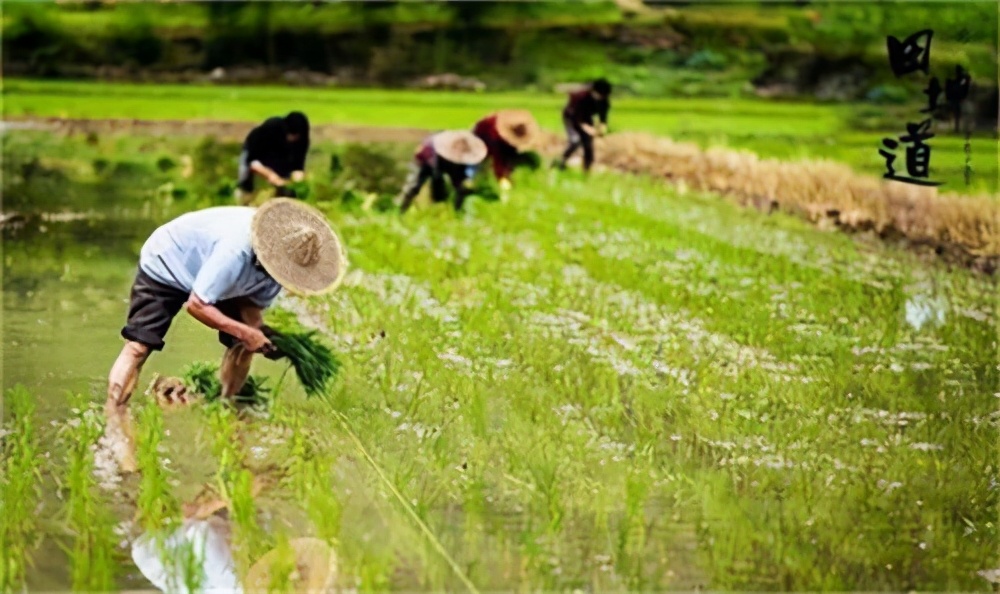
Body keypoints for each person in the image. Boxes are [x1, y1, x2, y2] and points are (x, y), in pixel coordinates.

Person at [104, 199, 348, 473]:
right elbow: (197, 305)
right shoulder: (235, 250)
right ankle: (114, 416)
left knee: (242, 346)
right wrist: (244, 331)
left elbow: (252, 311)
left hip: (220, 280)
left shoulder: (279, 272)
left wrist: (257, 336)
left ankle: (226, 404)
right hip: (169, 263)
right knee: (139, 346)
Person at [397, 130, 488, 213]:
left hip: (450, 166)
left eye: (463, 146)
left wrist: (469, 178)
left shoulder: (465, 158)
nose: (460, 147)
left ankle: (458, 212)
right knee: (415, 185)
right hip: (426, 163)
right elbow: (427, 163)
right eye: (458, 145)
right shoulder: (432, 146)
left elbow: (470, 169)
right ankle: (401, 210)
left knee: (462, 188)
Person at [235, 111, 310, 205]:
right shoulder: (271, 128)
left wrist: (296, 184)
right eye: (291, 135)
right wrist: (271, 176)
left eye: (296, 137)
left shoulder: (302, 140)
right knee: (247, 187)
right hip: (255, 156)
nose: (292, 139)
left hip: (279, 161)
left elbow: (298, 166)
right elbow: (253, 162)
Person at [472, 109, 541, 197]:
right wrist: (504, 178)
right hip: (481, 140)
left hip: (497, 141)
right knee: (481, 169)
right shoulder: (494, 137)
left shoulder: (514, 127)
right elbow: (498, 160)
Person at [554, 78, 612, 172]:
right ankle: (561, 162)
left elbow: (603, 117)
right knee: (575, 140)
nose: (601, 98)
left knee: (588, 144)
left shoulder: (604, 101)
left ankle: (587, 169)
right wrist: (589, 129)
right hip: (571, 116)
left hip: (586, 117)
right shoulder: (581, 97)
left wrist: (602, 127)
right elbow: (577, 118)